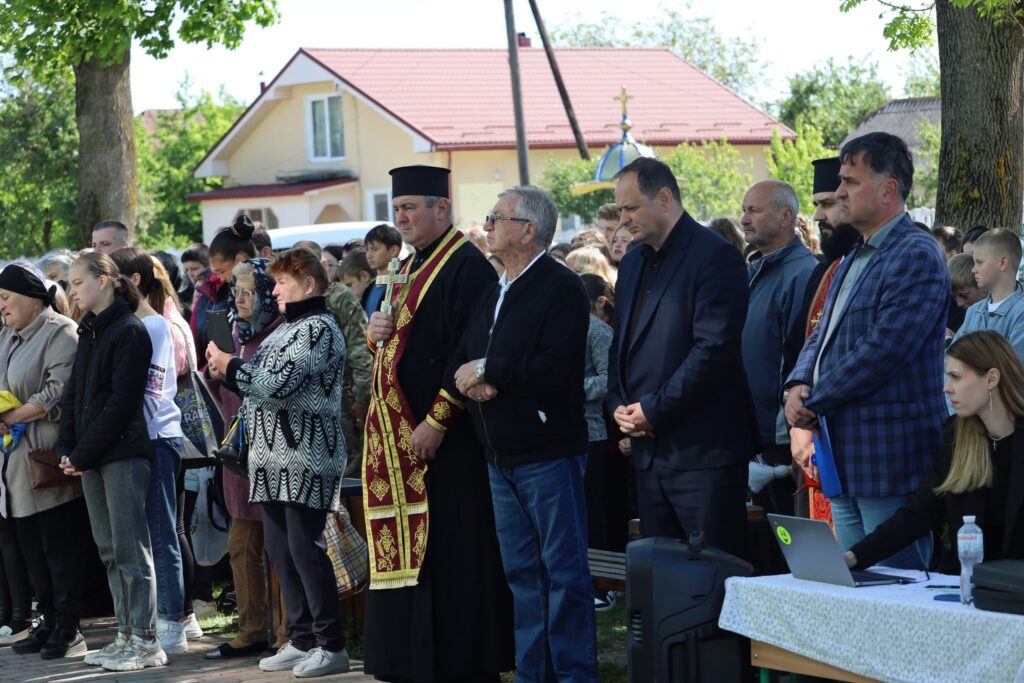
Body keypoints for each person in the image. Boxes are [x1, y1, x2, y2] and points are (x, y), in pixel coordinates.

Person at [362, 165, 513, 683]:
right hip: (400, 441)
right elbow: (403, 341)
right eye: (397, 208)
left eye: (411, 207)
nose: (401, 217)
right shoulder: (410, 263)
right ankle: (409, 660)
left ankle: (456, 662)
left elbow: (469, 351)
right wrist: (374, 331)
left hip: (445, 441)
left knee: (452, 552)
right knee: (413, 553)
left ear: (441, 209)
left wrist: (437, 421)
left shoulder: (467, 266)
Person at [785, 133, 949, 569]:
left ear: (888, 189)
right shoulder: (858, 252)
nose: (839, 193)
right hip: (845, 454)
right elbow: (822, 333)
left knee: (897, 592)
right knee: (857, 595)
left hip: (889, 456)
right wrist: (798, 383)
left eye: (850, 182)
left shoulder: (915, 253)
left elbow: (884, 350)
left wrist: (813, 399)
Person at [451, 186, 596, 681]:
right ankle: (536, 675)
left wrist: (494, 370)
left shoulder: (560, 287)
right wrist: (472, 380)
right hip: (500, 457)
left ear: (528, 230)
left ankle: (575, 675)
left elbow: (557, 368)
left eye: (497, 217)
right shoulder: (498, 287)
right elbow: (466, 354)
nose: (487, 224)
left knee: (565, 576)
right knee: (523, 579)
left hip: (547, 454)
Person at [206, 248, 349, 678]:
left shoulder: (320, 329)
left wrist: (230, 367)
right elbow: (261, 385)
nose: (277, 289)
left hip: (307, 456)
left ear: (308, 284)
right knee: (280, 551)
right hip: (270, 459)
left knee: (306, 551)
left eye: (284, 282)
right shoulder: (285, 329)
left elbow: (276, 384)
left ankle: (332, 644)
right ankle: (301, 638)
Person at [607, 157, 756, 560]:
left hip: (702, 453)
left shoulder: (715, 256)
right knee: (662, 580)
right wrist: (618, 404)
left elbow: (713, 350)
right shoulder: (634, 260)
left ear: (666, 198)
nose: (623, 220)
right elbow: (622, 343)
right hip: (648, 453)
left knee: (711, 578)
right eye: (619, 210)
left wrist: (653, 409)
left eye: (631, 208)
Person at [57, 253, 167, 672]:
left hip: (121, 453)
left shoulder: (130, 330)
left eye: (78, 283)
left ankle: (146, 640)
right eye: (69, 284)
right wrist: (67, 448)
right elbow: (74, 395)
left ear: (105, 281)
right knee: (108, 549)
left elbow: (122, 404)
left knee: (130, 549)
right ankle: (124, 635)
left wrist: (81, 453)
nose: (72, 291)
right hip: (91, 456)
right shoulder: (90, 330)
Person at [845, 331, 1024, 573]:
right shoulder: (956, 435)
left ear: (991, 379)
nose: (946, 388)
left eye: (955, 377)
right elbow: (920, 512)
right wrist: (854, 557)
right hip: (964, 587)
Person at [0, 265, 93, 659]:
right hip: (14, 463)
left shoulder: (59, 331)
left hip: (47, 460)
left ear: (30, 296)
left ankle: (71, 627)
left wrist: (10, 415)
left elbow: (59, 390)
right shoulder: (7, 336)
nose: (1, 305)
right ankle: (50, 618)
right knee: (31, 548)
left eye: (6, 296)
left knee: (59, 546)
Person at [109, 248, 193, 654]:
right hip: (142, 437)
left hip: (157, 436)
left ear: (132, 282)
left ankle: (174, 619)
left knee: (161, 533)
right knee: (147, 533)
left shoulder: (155, 326)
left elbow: (152, 390)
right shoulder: (132, 324)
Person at [205, 258, 289, 659]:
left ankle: (288, 632)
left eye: (248, 291)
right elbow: (218, 387)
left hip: (275, 456)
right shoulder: (234, 334)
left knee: (281, 549)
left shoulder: (281, 334)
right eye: (234, 290)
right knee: (242, 547)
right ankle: (252, 628)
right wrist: (216, 366)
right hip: (239, 458)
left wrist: (233, 368)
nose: (238, 298)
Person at [788, 157, 860, 522]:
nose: (818, 215)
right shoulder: (822, 270)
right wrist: (797, 423)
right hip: (811, 436)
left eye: (828, 203)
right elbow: (799, 349)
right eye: (816, 204)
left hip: (860, 442)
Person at [740, 181, 817, 517]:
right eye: (743, 210)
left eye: (753, 210)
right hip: (752, 429)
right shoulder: (755, 268)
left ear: (786, 215)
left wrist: (784, 427)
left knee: (788, 536)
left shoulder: (803, 273)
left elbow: (798, 355)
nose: (743, 218)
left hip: (782, 437)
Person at [951, 228, 1024, 359]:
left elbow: (1012, 372)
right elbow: (951, 360)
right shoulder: (974, 311)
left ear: (1002, 263)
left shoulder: (1020, 315)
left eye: (979, 262)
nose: (973, 270)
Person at [192, 217, 256, 358]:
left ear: (239, 261)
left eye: (221, 271)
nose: (220, 279)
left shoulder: (269, 298)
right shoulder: (217, 293)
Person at [363, 223, 403, 316]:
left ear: (393, 250)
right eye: (367, 250)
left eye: (374, 249)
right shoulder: (369, 288)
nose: (368, 255)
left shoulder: (400, 286)